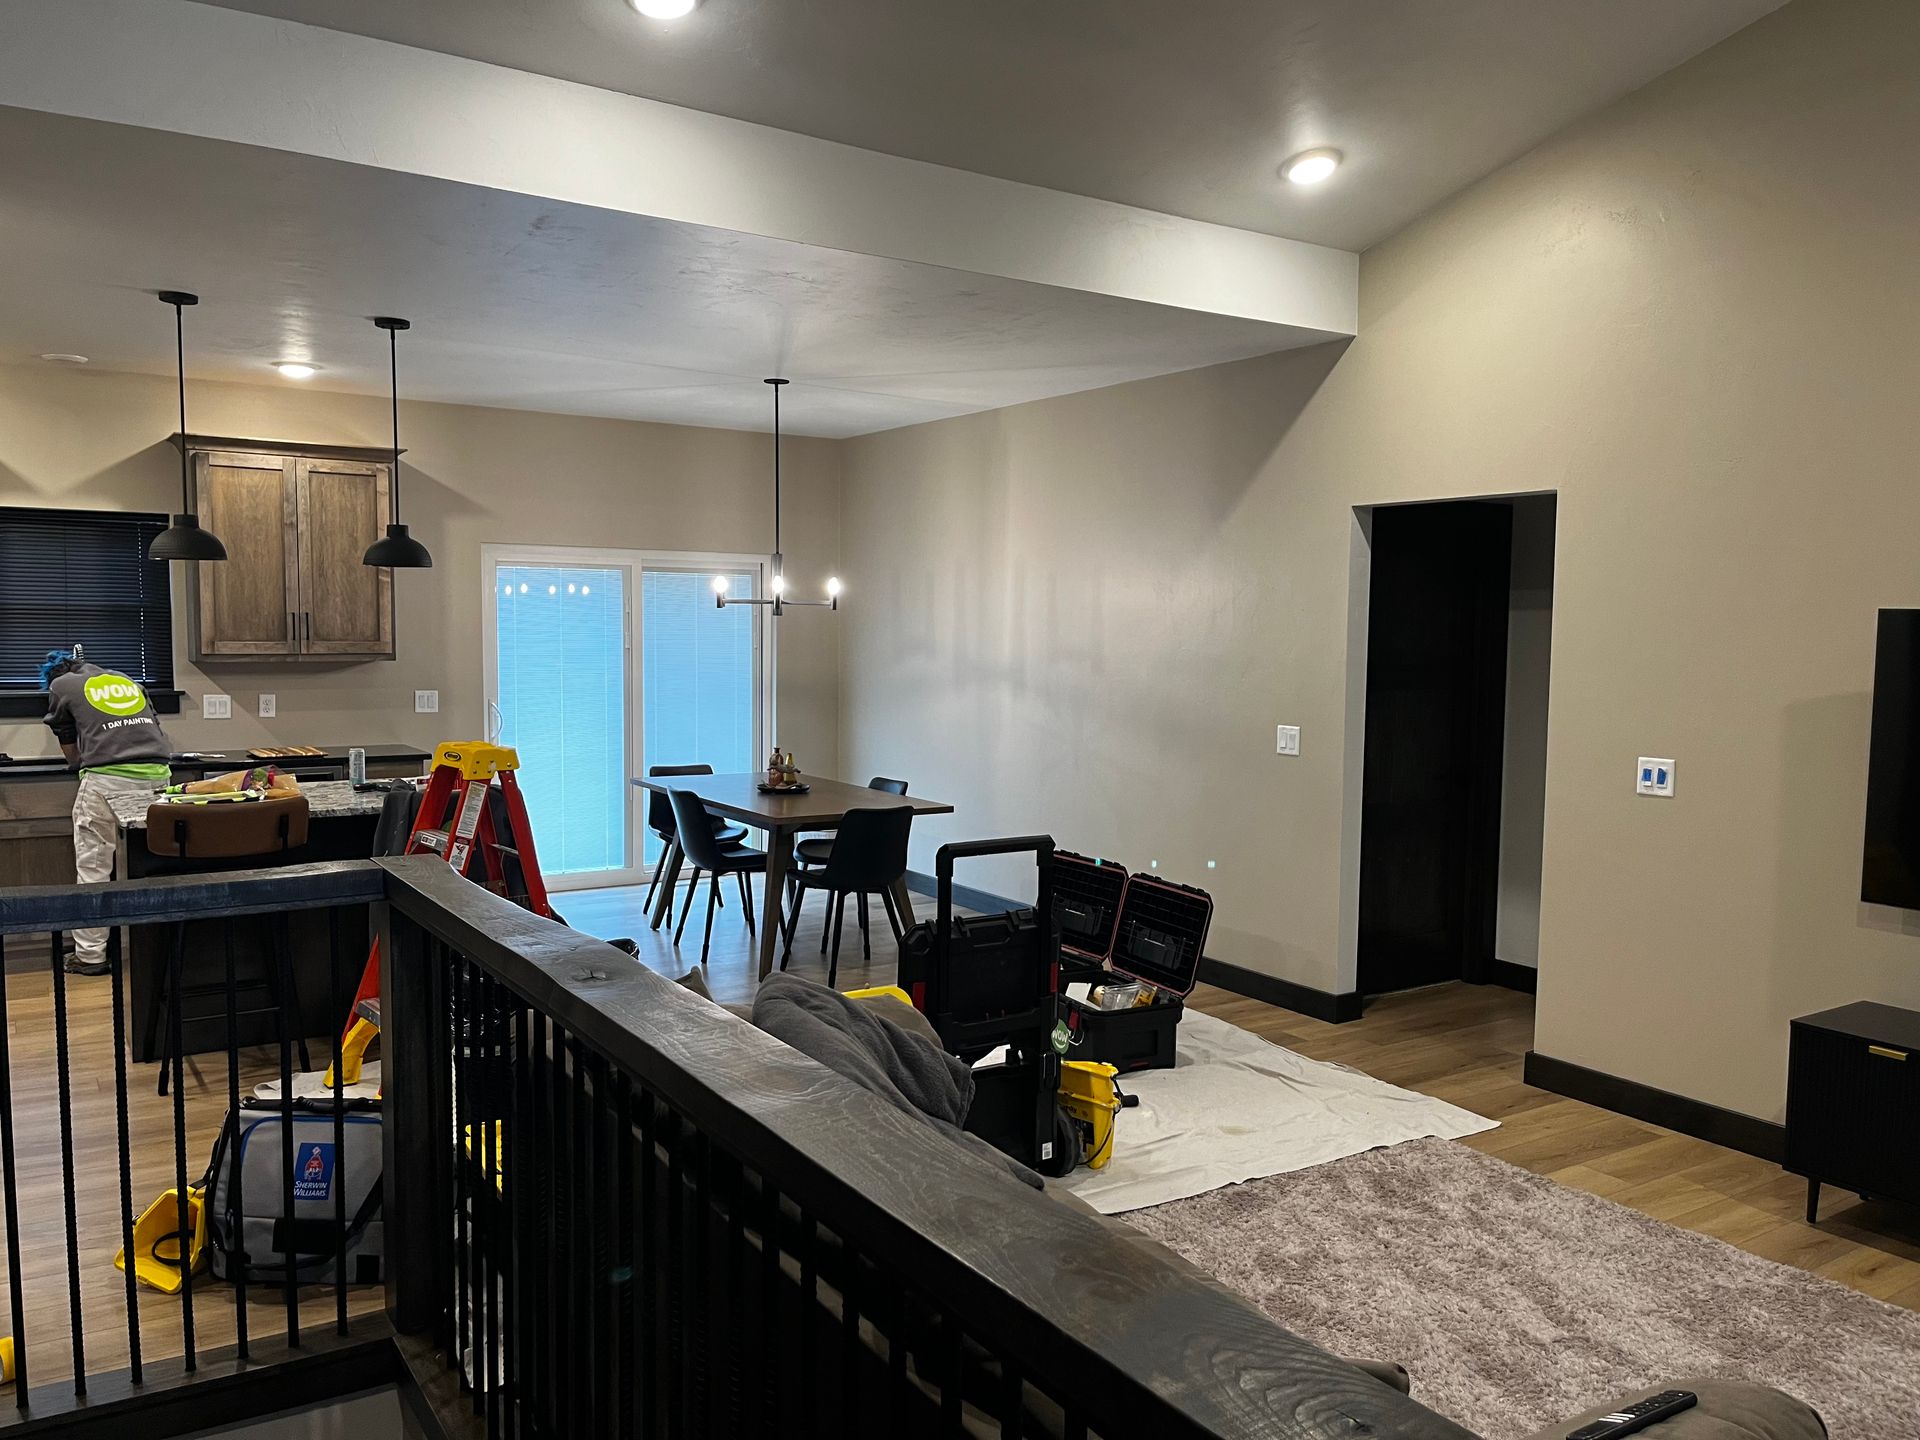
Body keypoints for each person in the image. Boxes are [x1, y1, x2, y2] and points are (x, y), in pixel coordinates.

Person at [41, 650, 173, 975]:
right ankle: (148, 952)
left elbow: (66, 734)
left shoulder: (61, 684)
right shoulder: (126, 679)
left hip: (108, 778)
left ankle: (90, 956)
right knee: (148, 866)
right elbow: (154, 726)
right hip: (158, 776)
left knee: (94, 866)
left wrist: (75, 763)